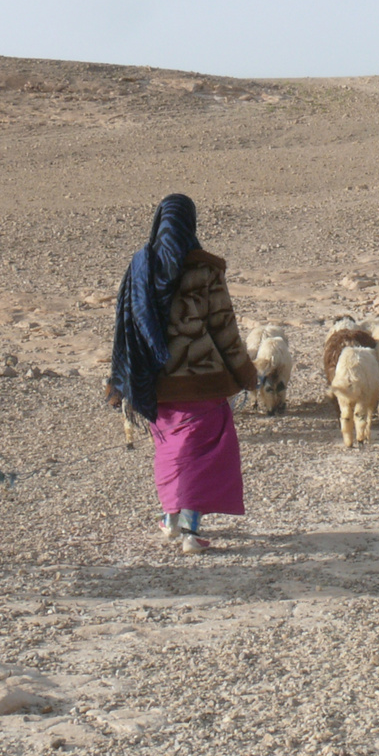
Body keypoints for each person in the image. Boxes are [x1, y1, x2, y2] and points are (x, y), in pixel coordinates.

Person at [108, 194, 257, 554]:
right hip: (203, 381)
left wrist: (121, 380)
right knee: (204, 453)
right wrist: (247, 375)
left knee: (171, 451)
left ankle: (170, 518)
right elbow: (224, 329)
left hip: (157, 382)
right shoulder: (205, 270)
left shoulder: (140, 267)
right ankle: (191, 529)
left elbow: (125, 328)